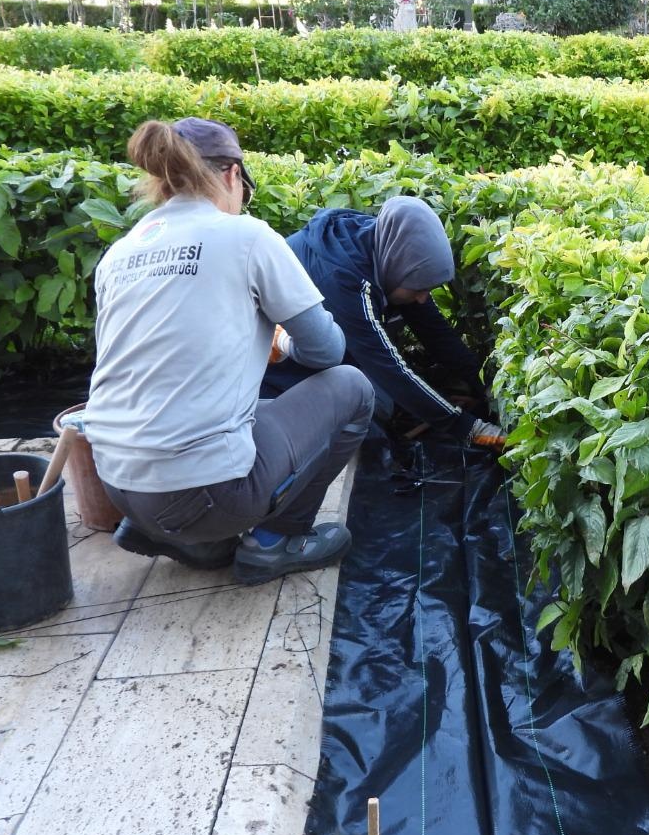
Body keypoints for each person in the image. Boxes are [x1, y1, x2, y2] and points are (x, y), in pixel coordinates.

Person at [84, 117, 376, 586]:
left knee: (258, 410)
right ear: (233, 175)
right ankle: (276, 541)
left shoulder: (120, 253)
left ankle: (183, 537)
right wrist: (282, 339)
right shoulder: (247, 236)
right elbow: (327, 350)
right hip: (205, 494)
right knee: (352, 387)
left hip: (119, 487)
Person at [262, 198, 506, 449]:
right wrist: (471, 429)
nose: (423, 298)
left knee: (383, 398)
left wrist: (487, 390)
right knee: (375, 404)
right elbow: (389, 368)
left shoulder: (388, 249)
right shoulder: (344, 280)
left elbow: (436, 333)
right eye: (418, 289)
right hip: (277, 382)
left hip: (318, 356)